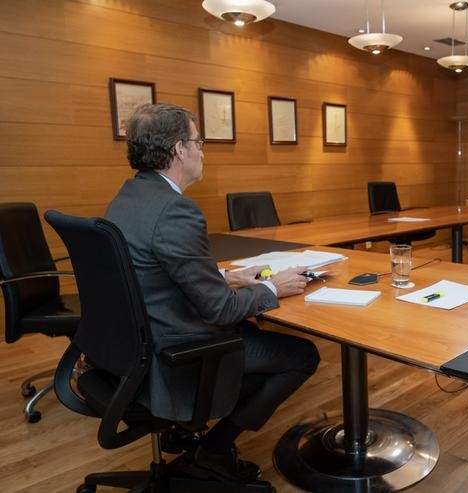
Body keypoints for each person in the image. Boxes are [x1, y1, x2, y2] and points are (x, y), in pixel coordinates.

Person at [105, 103, 319, 483]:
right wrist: (274, 285)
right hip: (175, 353)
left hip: (137, 344)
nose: (203, 151)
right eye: (198, 142)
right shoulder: (175, 211)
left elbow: (158, 270)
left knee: (258, 336)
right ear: (178, 150)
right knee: (302, 354)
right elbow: (220, 312)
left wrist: (229, 276)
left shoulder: (128, 198)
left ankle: (185, 432)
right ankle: (213, 450)